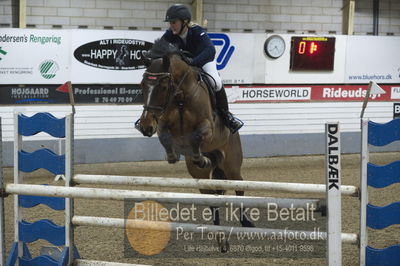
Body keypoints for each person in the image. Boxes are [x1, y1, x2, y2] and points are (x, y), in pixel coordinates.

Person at [161, 4, 243, 134]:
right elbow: (160, 48)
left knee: (216, 82)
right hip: (185, 65)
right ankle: (154, 115)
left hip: (203, 61)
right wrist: (150, 56)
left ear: (184, 22)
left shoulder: (197, 31)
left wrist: (193, 62)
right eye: (170, 23)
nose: (171, 25)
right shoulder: (170, 34)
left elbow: (210, 50)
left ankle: (227, 116)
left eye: (174, 22)